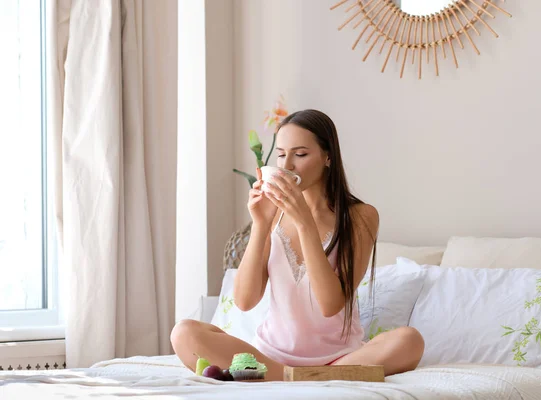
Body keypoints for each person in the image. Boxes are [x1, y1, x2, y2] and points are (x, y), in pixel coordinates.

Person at [171, 109, 424, 381]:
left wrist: (304, 223)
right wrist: (260, 224)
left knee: (410, 341)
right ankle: (298, 376)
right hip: (270, 357)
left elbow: (330, 305)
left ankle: (285, 377)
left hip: (341, 358)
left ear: (328, 157)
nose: (287, 165)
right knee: (184, 333)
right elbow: (244, 301)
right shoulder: (272, 213)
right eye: (281, 154)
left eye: (300, 154)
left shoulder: (360, 216)